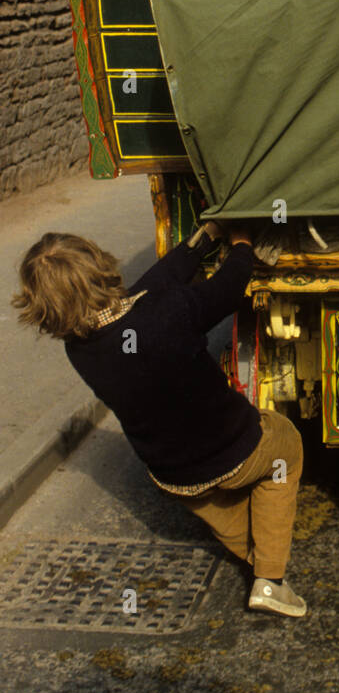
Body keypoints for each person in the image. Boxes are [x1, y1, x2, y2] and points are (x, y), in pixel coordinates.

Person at [12, 220, 306, 619]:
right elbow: (229, 287)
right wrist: (240, 245)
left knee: (228, 512)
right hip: (235, 447)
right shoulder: (168, 314)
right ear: (99, 264)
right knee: (285, 449)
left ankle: (257, 558)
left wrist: (201, 242)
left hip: (175, 479)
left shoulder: (80, 349)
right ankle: (270, 579)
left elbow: (146, 291)